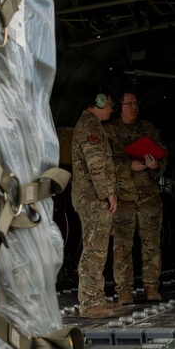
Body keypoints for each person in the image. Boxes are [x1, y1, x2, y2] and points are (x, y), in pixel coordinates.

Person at [106, 90, 167, 304]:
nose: (134, 107)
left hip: (149, 197)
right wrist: (126, 166)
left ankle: (151, 287)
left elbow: (163, 157)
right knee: (122, 245)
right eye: (129, 103)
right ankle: (124, 290)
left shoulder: (148, 129)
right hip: (123, 198)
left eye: (136, 103)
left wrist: (155, 165)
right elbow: (102, 163)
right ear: (119, 107)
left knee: (151, 243)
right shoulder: (109, 132)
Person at [71, 87, 123, 318]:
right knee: (95, 249)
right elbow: (95, 161)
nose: (112, 108)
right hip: (93, 197)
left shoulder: (91, 125)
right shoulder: (90, 125)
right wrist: (107, 192)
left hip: (91, 196)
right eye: (110, 103)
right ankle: (90, 303)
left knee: (97, 247)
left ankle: (96, 297)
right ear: (99, 101)